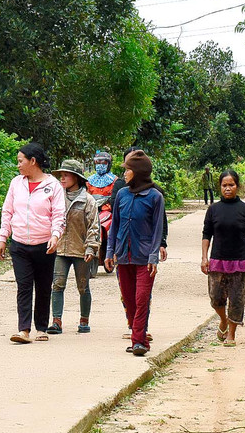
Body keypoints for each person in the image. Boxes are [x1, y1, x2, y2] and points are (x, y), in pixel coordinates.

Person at [0, 142, 65, 344]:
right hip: (19, 245)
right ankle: (23, 330)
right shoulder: (16, 183)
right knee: (24, 286)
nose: (18, 165)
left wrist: (55, 236)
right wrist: (3, 237)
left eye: (20, 161)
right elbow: (7, 211)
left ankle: (41, 327)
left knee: (43, 287)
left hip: (44, 245)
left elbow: (59, 214)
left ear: (33, 161)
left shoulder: (53, 186)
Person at [104, 150, 164, 357]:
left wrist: (154, 255)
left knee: (141, 299)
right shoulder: (121, 194)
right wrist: (109, 252)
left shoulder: (155, 197)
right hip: (123, 256)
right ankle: (137, 331)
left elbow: (158, 230)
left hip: (145, 258)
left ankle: (138, 341)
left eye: (128, 170)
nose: (124, 175)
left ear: (137, 172)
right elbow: (115, 226)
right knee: (129, 300)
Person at [201, 169, 245, 347]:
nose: (228, 188)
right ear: (219, 187)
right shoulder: (213, 210)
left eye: (231, 185)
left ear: (237, 186)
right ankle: (223, 320)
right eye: (224, 185)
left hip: (239, 262)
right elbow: (206, 234)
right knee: (216, 298)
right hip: (217, 261)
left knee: (237, 300)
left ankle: (231, 335)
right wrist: (204, 258)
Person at [47, 159, 99, 335]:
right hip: (60, 249)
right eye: (61, 175)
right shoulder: (56, 197)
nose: (62, 178)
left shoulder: (88, 200)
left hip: (81, 250)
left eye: (66, 175)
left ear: (76, 177)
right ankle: (56, 321)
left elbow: (94, 226)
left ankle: (84, 320)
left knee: (83, 287)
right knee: (57, 285)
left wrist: (91, 248)